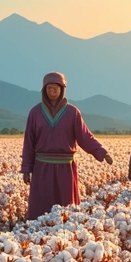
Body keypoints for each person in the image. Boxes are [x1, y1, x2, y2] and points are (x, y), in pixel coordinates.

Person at [21, 72, 114, 220]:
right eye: (49, 88)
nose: (52, 91)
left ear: (62, 89)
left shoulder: (72, 113)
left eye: (55, 88)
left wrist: (101, 152)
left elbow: (85, 137)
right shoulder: (35, 113)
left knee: (66, 207)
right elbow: (29, 143)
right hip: (42, 167)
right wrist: (26, 168)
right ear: (44, 90)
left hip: (65, 168)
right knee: (41, 206)